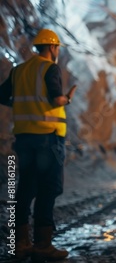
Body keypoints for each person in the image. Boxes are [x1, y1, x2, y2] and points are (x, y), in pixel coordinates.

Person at [0, 29, 76, 261]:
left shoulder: (19, 70)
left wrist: (25, 107)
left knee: (25, 188)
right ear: (52, 48)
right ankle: (43, 245)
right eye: (57, 48)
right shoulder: (50, 68)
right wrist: (68, 97)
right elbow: (55, 98)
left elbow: (2, 97)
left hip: (24, 139)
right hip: (47, 138)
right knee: (48, 188)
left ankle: (21, 243)